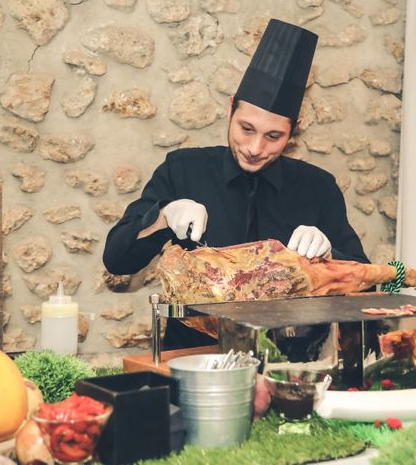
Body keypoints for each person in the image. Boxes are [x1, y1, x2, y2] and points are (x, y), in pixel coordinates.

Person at [103, 19, 368, 349]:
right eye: (246, 128)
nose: (256, 148)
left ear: (294, 129)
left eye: (273, 136)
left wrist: (330, 254)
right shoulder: (183, 169)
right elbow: (117, 259)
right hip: (194, 355)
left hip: (292, 363)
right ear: (231, 110)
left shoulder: (318, 187)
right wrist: (163, 215)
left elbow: (365, 287)